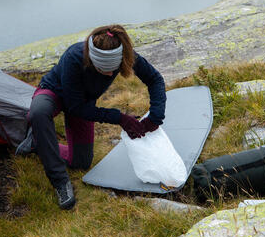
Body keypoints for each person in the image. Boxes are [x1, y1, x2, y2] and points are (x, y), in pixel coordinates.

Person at [17, 24, 166, 210]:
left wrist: (155, 117)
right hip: (55, 93)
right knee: (38, 112)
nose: (111, 74)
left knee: (80, 163)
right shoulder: (74, 57)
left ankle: (37, 142)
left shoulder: (125, 54)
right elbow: (75, 107)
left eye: (115, 69)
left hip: (82, 103)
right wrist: (120, 118)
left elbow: (155, 79)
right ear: (92, 60)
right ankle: (60, 182)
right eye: (104, 70)